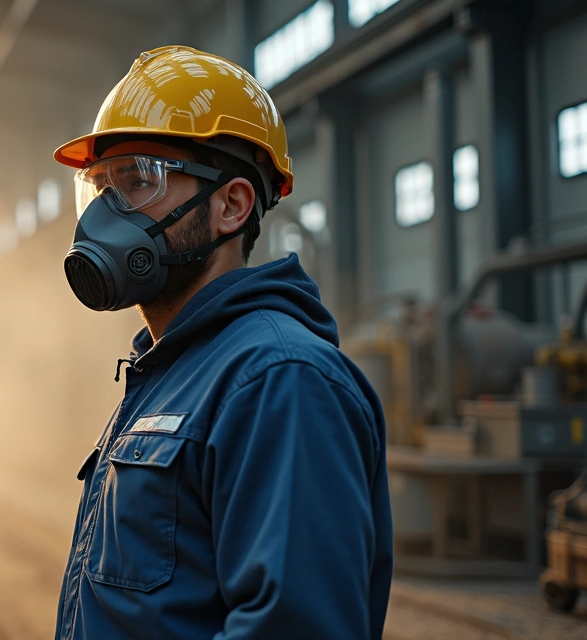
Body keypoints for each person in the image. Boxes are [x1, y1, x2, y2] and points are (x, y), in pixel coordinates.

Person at [51, 45, 393, 640]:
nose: (106, 213)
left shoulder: (280, 380)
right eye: (99, 186)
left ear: (231, 205)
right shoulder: (170, 371)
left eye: (136, 179)